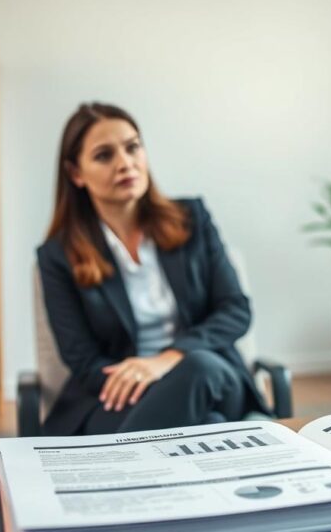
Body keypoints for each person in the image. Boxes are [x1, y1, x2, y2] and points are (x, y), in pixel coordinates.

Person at [37, 102, 266, 436]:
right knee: (210, 426)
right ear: (75, 174)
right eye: (104, 155)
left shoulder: (192, 219)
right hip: (120, 394)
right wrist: (142, 380)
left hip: (212, 376)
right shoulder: (57, 256)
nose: (125, 163)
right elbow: (82, 359)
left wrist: (167, 361)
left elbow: (235, 310)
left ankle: (116, 469)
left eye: (132, 148)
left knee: (198, 369)